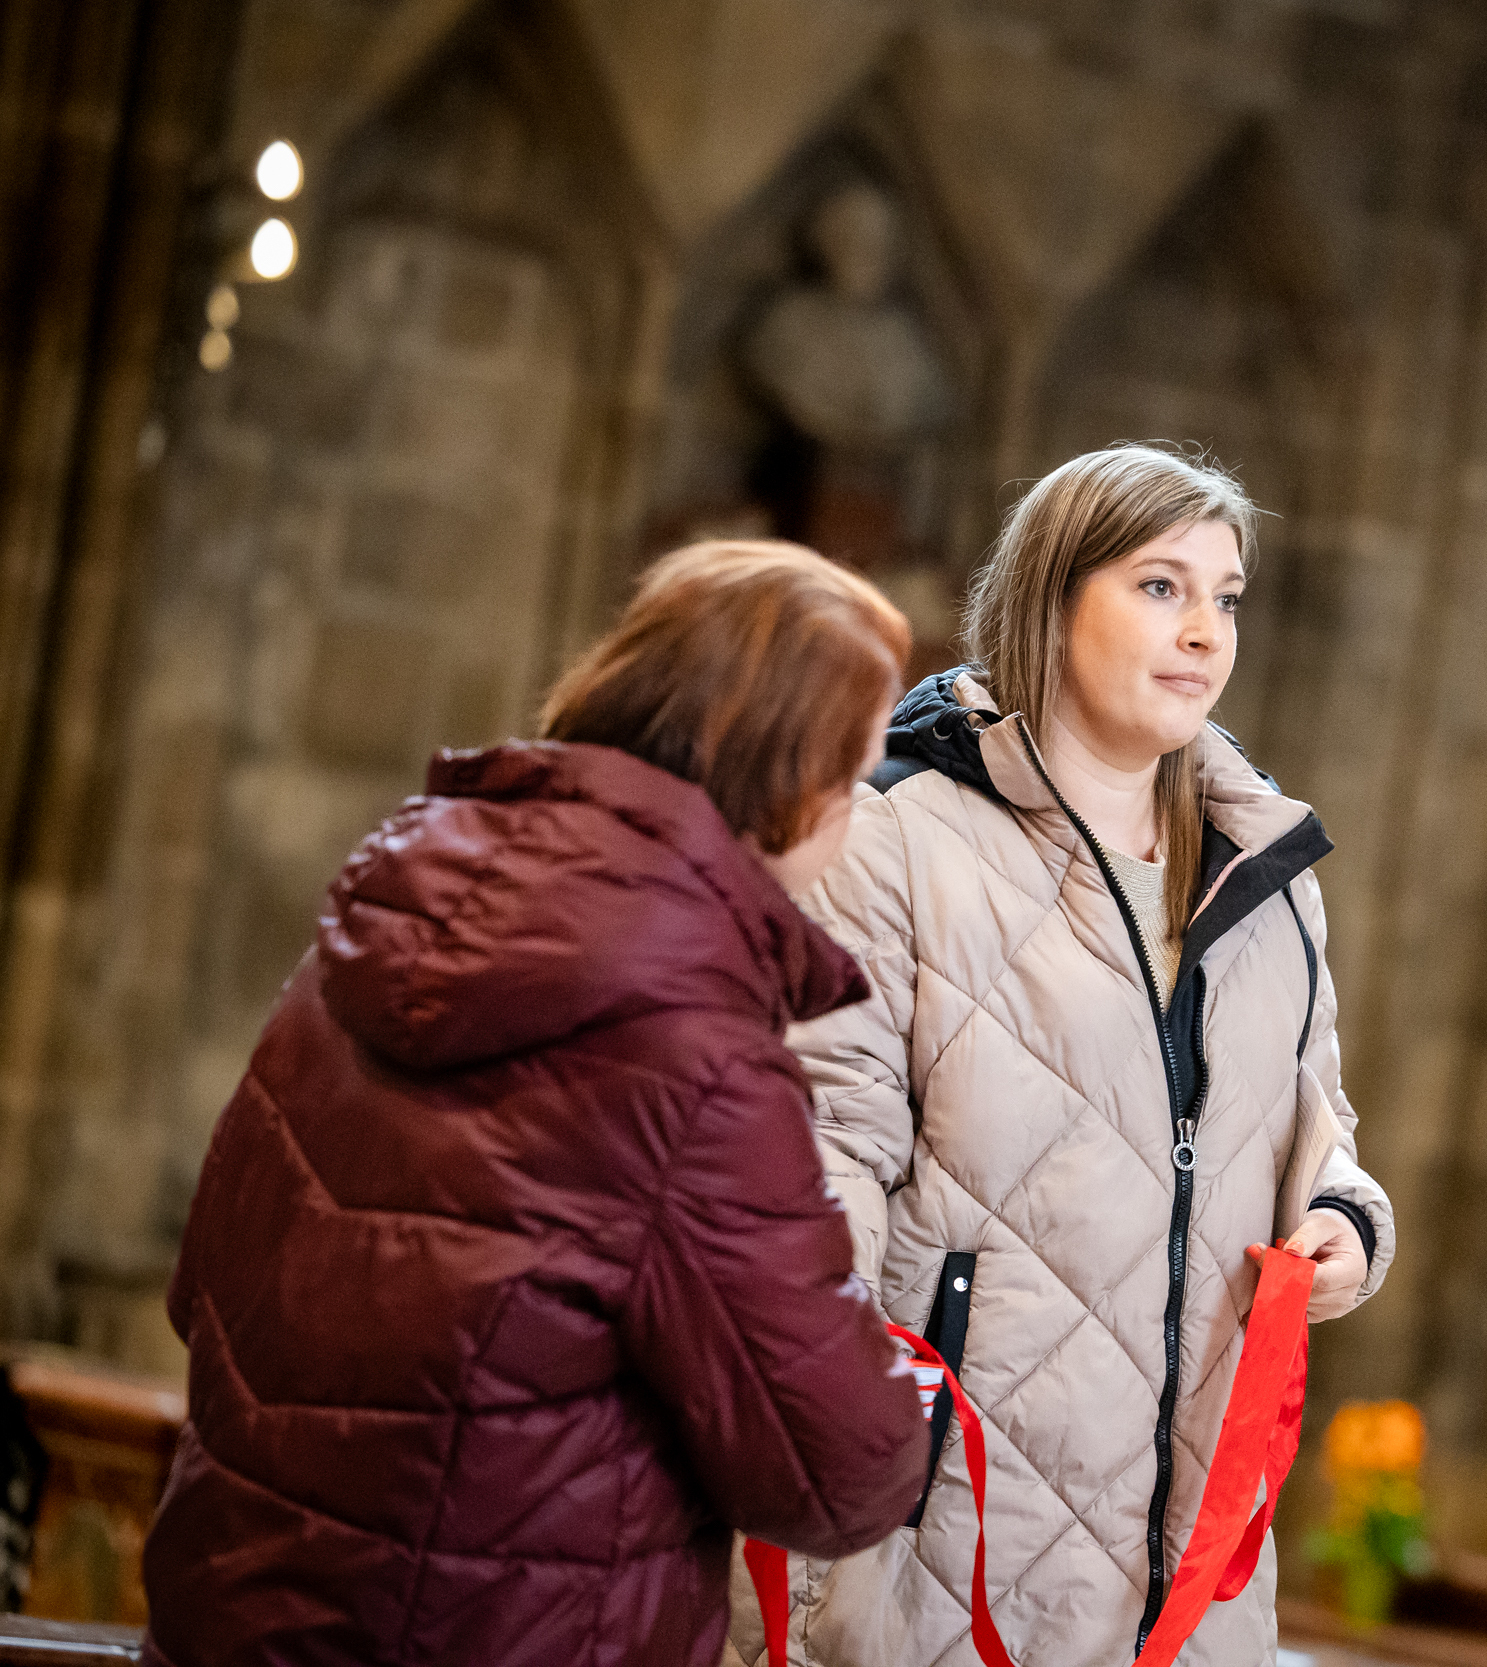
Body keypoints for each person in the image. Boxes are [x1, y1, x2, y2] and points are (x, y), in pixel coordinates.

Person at [141, 542, 930, 1667]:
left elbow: (199, 1291)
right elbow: (839, 1468)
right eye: (849, 780)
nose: (849, 816)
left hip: (229, 1622)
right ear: (787, 785)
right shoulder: (695, 1049)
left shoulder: (376, 919)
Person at [783, 445, 1395, 1667]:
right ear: (1053, 600)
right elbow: (819, 1162)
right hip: (944, 1523)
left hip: (1194, 1552)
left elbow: (1310, 1116)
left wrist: (1341, 1213)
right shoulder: (896, 837)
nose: (1205, 632)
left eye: (1227, 597)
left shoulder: (1268, 878)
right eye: (1161, 586)